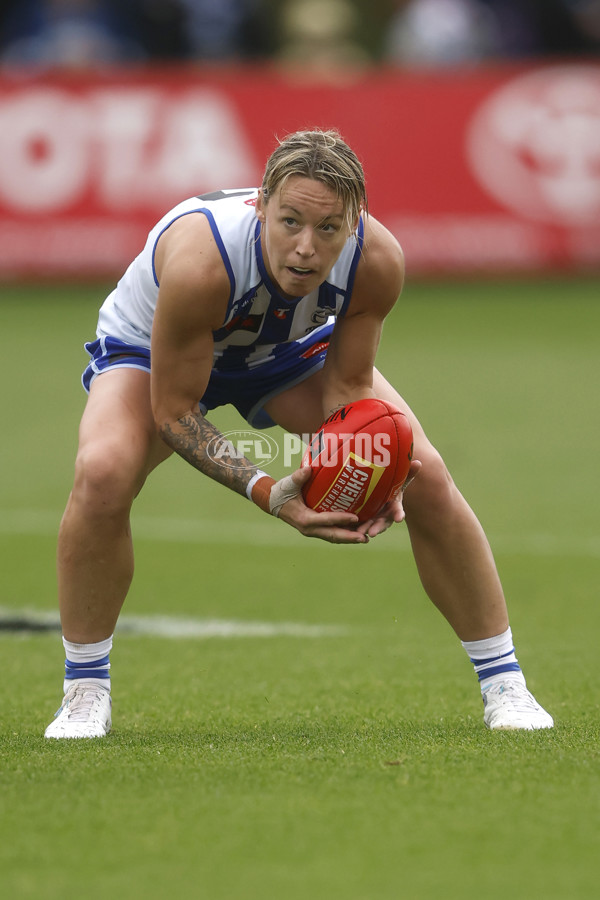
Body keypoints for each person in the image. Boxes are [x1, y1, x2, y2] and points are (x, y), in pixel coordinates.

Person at [44, 129, 553, 739]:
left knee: (428, 474)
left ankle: (507, 686)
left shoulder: (377, 261)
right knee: (102, 474)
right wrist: (270, 492)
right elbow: (176, 412)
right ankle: (84, 691)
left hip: (287, 351)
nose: (306, 250)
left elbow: (348, 389)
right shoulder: (201, 262)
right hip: (152, 353)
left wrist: (377, 461)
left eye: (329, 230)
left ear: (354, 223)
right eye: (289, 222)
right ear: (260, 206)